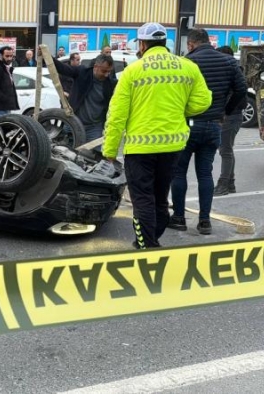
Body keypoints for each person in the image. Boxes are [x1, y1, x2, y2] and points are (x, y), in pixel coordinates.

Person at [103, 22, 212, 249]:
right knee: (160, 198)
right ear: (165, 43)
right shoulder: (187, 66)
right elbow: (203, 100)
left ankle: (147, 246)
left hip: (140, 149)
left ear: (142, 44)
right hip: (173, 146)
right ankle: (154, 240)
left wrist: (110, 151)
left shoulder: (133, 71)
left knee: (142, 200)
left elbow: (117, 115)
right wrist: (180, 109)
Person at [169, 28, 247, 235]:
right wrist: (225, 111)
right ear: (208, 41)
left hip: (188, 125)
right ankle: (204, 222)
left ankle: (178, 218)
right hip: (214, 124)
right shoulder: (228, 62)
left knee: (179, 172)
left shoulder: (186, 62)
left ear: (191, 44)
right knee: (205, 173)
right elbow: (242, 89)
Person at [51, 53, 116, 145]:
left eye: (109, 71)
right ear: (96, 66)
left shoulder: (110, 84)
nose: (106, 74)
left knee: (96, 156)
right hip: (73, 123)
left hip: (94, 128)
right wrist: (48, 56)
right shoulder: (82, 72)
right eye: (104, 71)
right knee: (66, 153)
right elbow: (63, 68)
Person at [214, 45, 247, 196]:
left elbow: (241, 99)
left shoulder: (233, 73)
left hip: (231, 116)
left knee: (225, 150)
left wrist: (226, 111)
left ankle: (224, 183)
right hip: (232, 115)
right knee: (226, 149)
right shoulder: (234, 71)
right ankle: (230, 183)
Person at [0, 45, 19, 117]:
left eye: (11, 56)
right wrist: (5, 99)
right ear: (1, 56)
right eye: (7, 56)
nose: (9, 58)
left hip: (5, 106)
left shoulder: (7, 68)